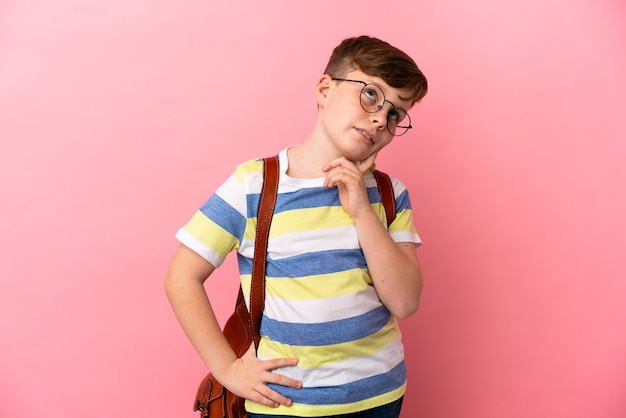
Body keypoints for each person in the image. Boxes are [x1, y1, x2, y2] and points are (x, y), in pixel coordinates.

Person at [165, 35, 428, 418]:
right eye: (371, 95)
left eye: (394, 114)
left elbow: (404, 302)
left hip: (380, 397)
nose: (379, 118)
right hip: (286, 405)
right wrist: (228, 370)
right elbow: (181, 277)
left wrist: (361, 212)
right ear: (325, 89)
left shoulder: (389, 195)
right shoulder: (254, 185)